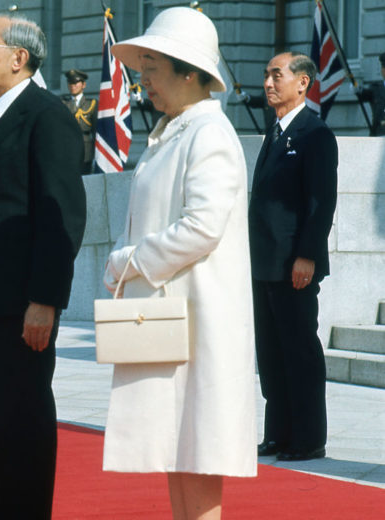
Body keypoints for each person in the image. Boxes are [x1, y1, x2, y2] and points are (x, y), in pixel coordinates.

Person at [102, 8, 257, 519]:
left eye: (151, 67)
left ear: (189, 72)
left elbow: (202, 226)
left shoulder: (207, 134)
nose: (142, 80)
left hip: (200, 318)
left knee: (197, 450)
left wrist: (130, 262)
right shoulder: (177, 130)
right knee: (178, 448)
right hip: (177, 316)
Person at [0, 13, 86, 520]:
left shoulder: (46, 116)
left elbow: (61, 216)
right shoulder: (0, 115)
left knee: (22, 422)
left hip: (23, 301)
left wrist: (45, 299)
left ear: (19, 57)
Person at [250, 51, 337, 462]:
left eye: (277, 75)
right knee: (271, 353)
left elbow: (321, 205)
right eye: (267, 75)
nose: (268, 83)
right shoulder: (275, 133)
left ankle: (308, 438)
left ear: (303, 82)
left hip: (293, 266)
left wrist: (307, 257)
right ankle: (279, 432)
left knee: (299, 351)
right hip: (265, 263)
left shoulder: (314, 134)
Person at [61, 69, 97, 174]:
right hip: (67, 150)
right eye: (70, 83)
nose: (73, 86)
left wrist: (96, 156)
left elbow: (95, 132)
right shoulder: (62, 103)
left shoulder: (91, 104)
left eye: (76, 83)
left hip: (86, 151)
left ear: (83, 85)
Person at [355, 51, 385, 136]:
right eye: (383, 67)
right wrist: (357, 89)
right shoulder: (376, 88)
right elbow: (364, 95)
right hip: (379, 133)